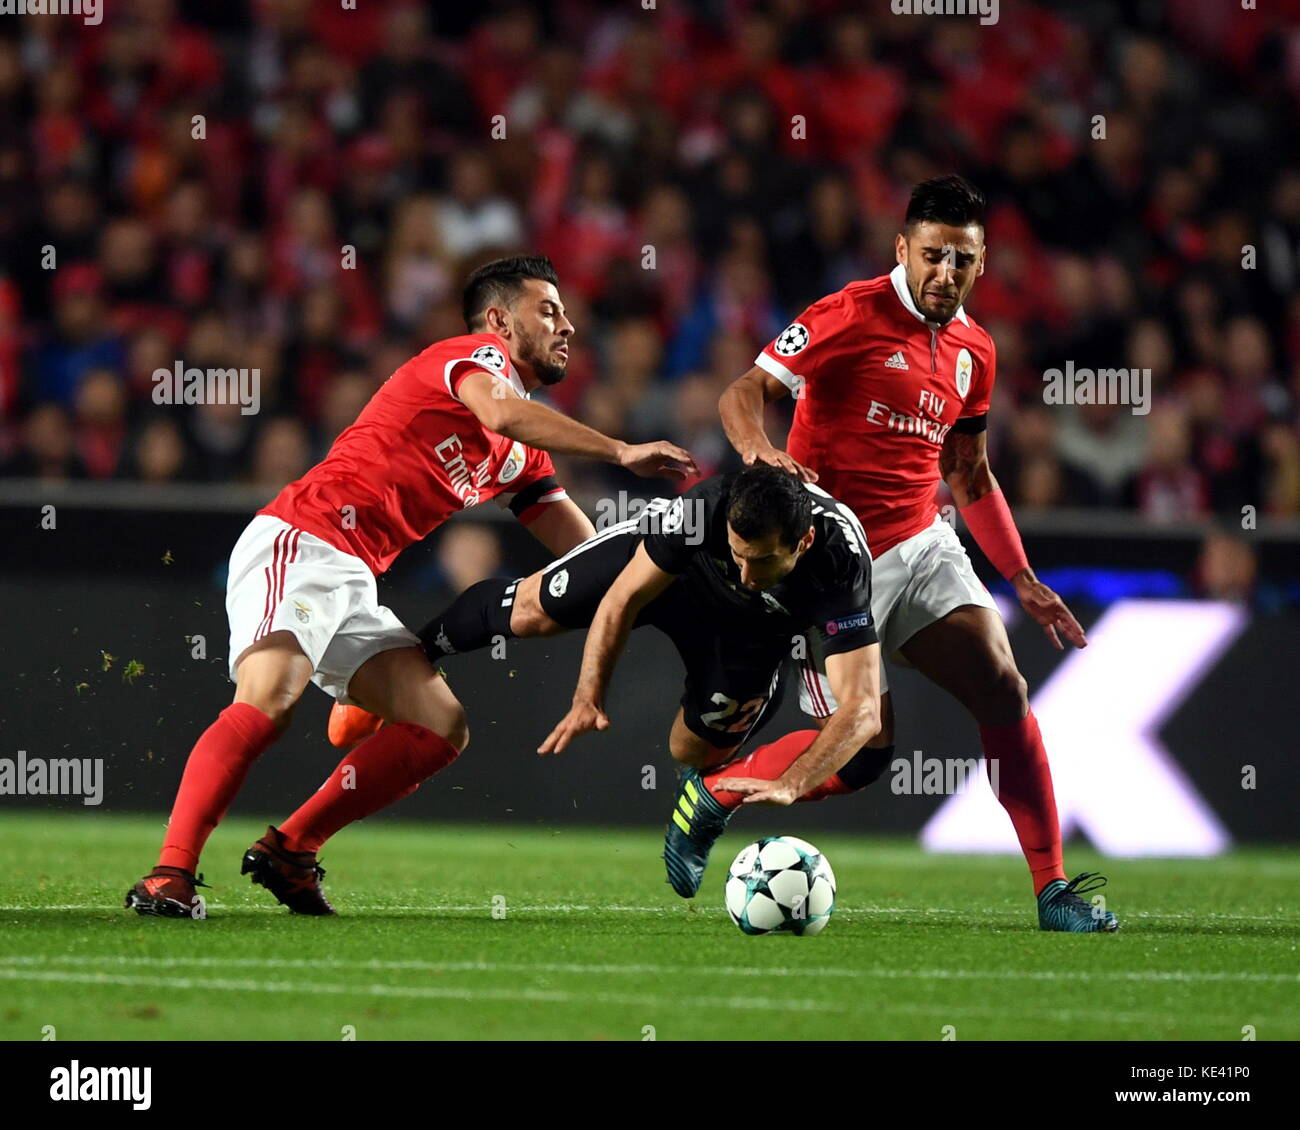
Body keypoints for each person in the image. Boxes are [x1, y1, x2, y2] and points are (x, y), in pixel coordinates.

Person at [125, 255, 696, 917]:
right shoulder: (470, 359)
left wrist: (675, 573)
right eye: (549, 310)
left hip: (355, 576)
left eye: (567, 314)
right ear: (499, 321)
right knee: (270, 699)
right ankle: (169, 874)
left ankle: (292, 848)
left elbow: (585, 554)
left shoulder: (523, 457)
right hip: (301, 539)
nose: (568, 326)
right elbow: (504, 414)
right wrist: (620, 451)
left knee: (440, 724)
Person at [716, 175, 1119, 932]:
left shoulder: (975, 350)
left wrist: (1023, 579)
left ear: (982, 262)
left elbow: (967, 474)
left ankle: (1054, 890)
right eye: (932, 255)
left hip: (920, 540)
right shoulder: (848, 313)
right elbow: (742, 391)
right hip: (829, 559)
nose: (946, 273)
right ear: (903, 249)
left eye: (962, 260)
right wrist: (758, 451)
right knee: (866, 756)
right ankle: (713, 795)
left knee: (1004, 685)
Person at [358, 465, 882, 898]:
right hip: (668, 578)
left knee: (693, 751)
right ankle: (411, 656)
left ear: (805, 540)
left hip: (752, 628)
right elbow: (623, 598)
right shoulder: (700, 512)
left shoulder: (841, 562)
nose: (746, 573)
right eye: (739, 554)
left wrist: (793, 782)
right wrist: (589, 694)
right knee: (537, 610)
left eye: (763, 560)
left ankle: (701, 800)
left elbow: (861, 709)